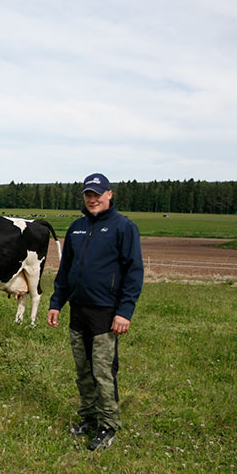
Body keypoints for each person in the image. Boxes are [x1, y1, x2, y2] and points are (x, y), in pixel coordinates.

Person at [47, 173, 144, 451]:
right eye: (88, 195)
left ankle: (108, 425)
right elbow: (66, 272)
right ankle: (89, 417)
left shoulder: (123, 228)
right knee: (83, 369)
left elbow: (134, 272)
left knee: (103, 370)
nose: (92, 199)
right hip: (78, 309)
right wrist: (56, 303)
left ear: (109, 195)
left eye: (97, 194)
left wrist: (124, 311)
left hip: (105, 312)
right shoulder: (76, 228)